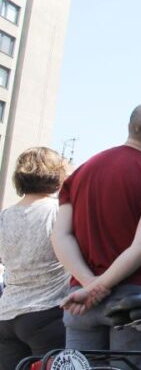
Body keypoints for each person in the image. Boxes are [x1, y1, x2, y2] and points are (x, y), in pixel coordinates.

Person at [52, 103, 141, 364]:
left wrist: (89, 284)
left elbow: (60, 236)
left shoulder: (81, 172)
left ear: (130, 128)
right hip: (134, 302)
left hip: (81, 301)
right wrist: (100, 286)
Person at [0, 148, 71, 370]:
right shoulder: (58, 211)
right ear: (56, 174)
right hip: (47, 312)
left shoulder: (5, 215)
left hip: (6, 315)